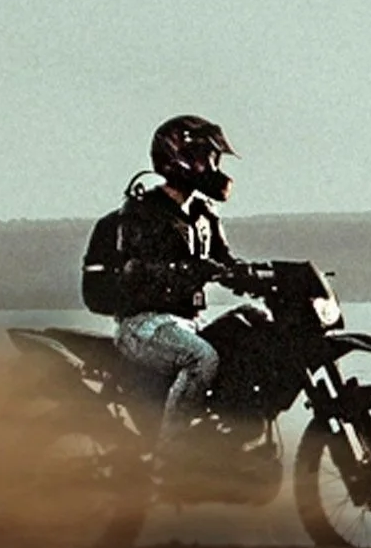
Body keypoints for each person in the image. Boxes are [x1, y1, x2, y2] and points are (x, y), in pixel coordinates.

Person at [102, 115, 259, 458]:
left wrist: (255, 274)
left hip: (188, 321)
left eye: (213, 158)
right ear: (177, 158)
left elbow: (225, 258)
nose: (212, 166)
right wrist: (189, 270)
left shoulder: (204, 213)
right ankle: (169, 456)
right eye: (205, 157)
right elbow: (136, 268)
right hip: (144, 324)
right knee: (202, 358)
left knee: (248, 332)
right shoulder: (143, 211)